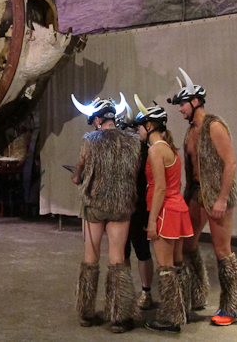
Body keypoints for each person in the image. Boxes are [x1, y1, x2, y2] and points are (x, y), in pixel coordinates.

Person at [168, 67, 237, 326]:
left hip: (216, 195)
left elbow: (231, 163)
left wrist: (222, 199)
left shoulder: (214, 126)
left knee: (222, 251)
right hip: (196, 194)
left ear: (195, 102)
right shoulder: (190, 131)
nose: (180, 109)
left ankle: (232, 307)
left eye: (182, 104)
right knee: (188, 245)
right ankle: (196, 292)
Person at [71, 94, 141, 333]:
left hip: (94, 206)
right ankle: (119, 317)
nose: (93, 124)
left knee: (90, 257)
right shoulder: (132, 141)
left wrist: (77, 175)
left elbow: (80, 176)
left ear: (98, 119)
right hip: (121, 207)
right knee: (117, 258)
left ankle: (86, 313)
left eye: (93, 120)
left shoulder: (90, 140)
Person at [134, 95, 193, 333]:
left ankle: (170, 318)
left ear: (149, 126)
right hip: (178, 209)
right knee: (177, 264)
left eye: (140, 127)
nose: (138, 131)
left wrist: (151, 221)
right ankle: (180, 309)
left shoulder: (155, 150)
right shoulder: (170, 148)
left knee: (166, 266)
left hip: (165, 211)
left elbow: (159, 187)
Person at [116, 96, 154, 311]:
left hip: (139, 208)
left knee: (142, 250)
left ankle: (146, 292)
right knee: (122, 253)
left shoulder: (144, 151)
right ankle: (126, 291)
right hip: (122, 208)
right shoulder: (119, 153)